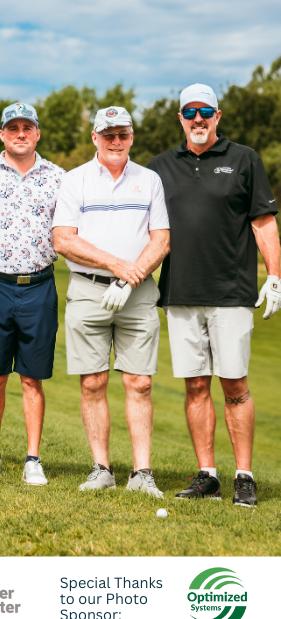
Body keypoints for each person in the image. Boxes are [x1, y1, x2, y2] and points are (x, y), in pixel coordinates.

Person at [147, 83, 280, 507]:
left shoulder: (245, 160)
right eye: (190, 112)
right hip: (181, 292)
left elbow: (263, 223)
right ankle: (208, 475)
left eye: (206, 111)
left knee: (235, 385)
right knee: (196, 386)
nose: (198, 119)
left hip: (231, 292)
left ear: (217, 116)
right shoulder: (160, 166)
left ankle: (244, 475)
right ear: (180, 119)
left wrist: (275, 275)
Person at [52, 106, 170, 495]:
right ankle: (102, 468)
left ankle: (142, 473)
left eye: (122, 134)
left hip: (137, 293)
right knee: (93, 382)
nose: (115, 141)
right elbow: (64, 239)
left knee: (139, 383)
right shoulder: (75, 181)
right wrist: (117, 265)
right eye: (108, 135)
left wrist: (131, 275)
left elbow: (161, 239)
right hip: (88, 289)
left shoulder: (149, 180)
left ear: (132, 137)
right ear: (95, 138)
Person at [0, 102, 65, 485]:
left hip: (38, 286)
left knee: (32, 378)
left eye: (27, 127)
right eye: (12, 127)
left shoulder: (58, 177)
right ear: (2, 134)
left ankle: (32, 458)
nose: (20, 133)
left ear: (37, 134)